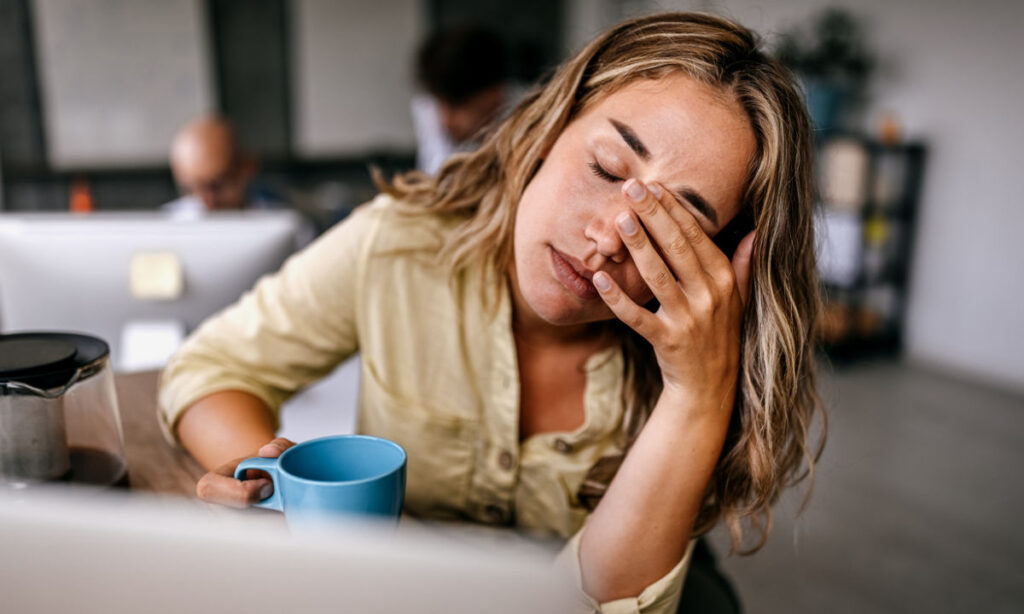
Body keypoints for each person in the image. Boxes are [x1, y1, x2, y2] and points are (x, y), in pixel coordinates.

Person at [158, 12, 824, 613]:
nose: (607, 238)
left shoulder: (700, 358)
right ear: (546, 131)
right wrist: (276, 490)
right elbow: (210, 367)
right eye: (605, 166)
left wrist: (697, 393)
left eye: (673, 225)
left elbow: (598, 606)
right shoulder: (400, 245)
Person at [411, 25, 511, 174]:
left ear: (494, 95)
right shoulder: (428, 109)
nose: (446, 121)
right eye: (440, 104)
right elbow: (436, 177)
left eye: (456, 106)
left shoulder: (529, 118)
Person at [163, 115, 280, 216]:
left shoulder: (281, 219)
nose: (205, 203)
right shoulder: (165, 225)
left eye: (215, 186)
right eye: (190, 189)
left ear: (247, 168)